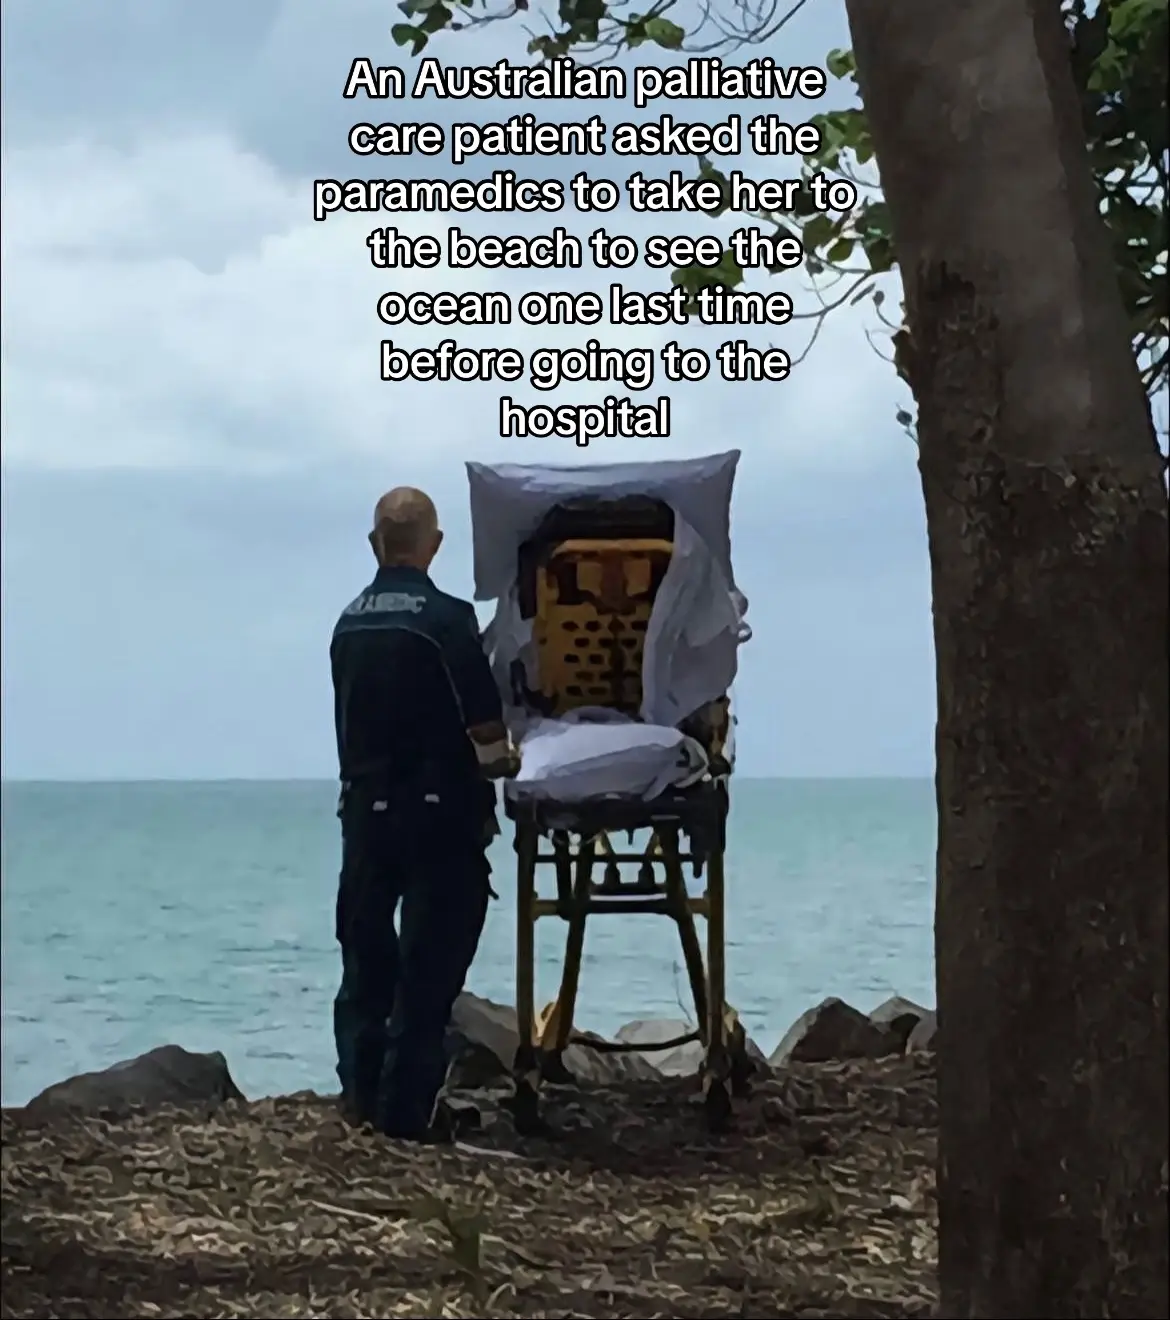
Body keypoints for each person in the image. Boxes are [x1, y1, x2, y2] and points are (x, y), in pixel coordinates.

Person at [330, 486, 509, 1141]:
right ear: (433, 545)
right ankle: (407, 1113)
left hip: (365, 814)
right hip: (439, 816)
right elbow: (486, 728)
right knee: (429, 966)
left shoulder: (348, 623)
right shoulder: (446, 620)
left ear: (377, 544)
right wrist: (508, 764)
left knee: (366, 959)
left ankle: (360, 1096)